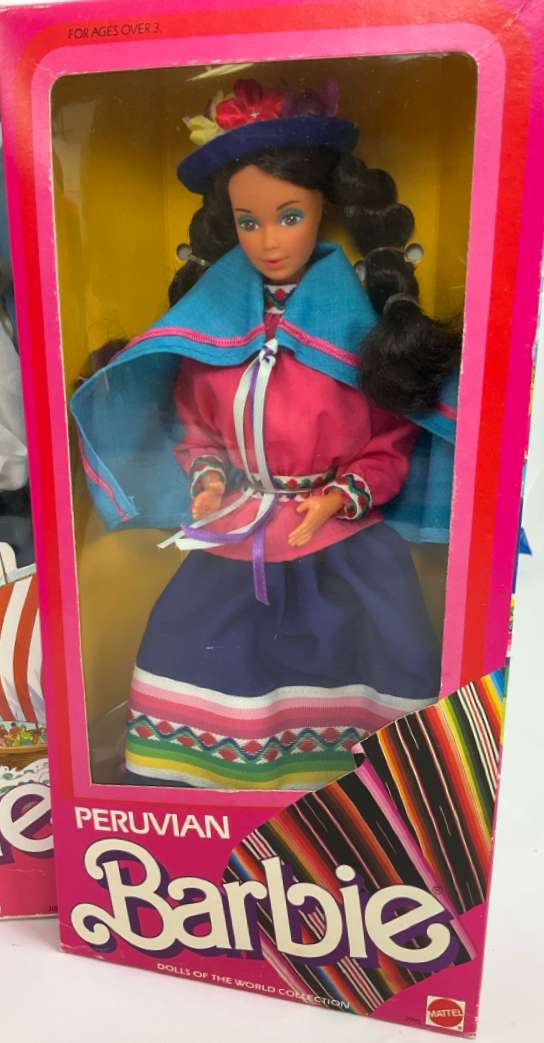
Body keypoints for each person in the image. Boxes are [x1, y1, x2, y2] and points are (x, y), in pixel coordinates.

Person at [71, 78, 459, 790]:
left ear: (322, 210)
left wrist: (339, 495)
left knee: (356, 670)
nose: (270, 240)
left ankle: (360, 806)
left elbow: (390, 441)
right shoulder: (215, 331)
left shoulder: (359, 336)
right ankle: (198, 798)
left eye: (289, 216)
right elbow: (196, 422)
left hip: (340, 546)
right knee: (192, 641)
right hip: (239, 532)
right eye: (249, 222)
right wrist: (209, 478)